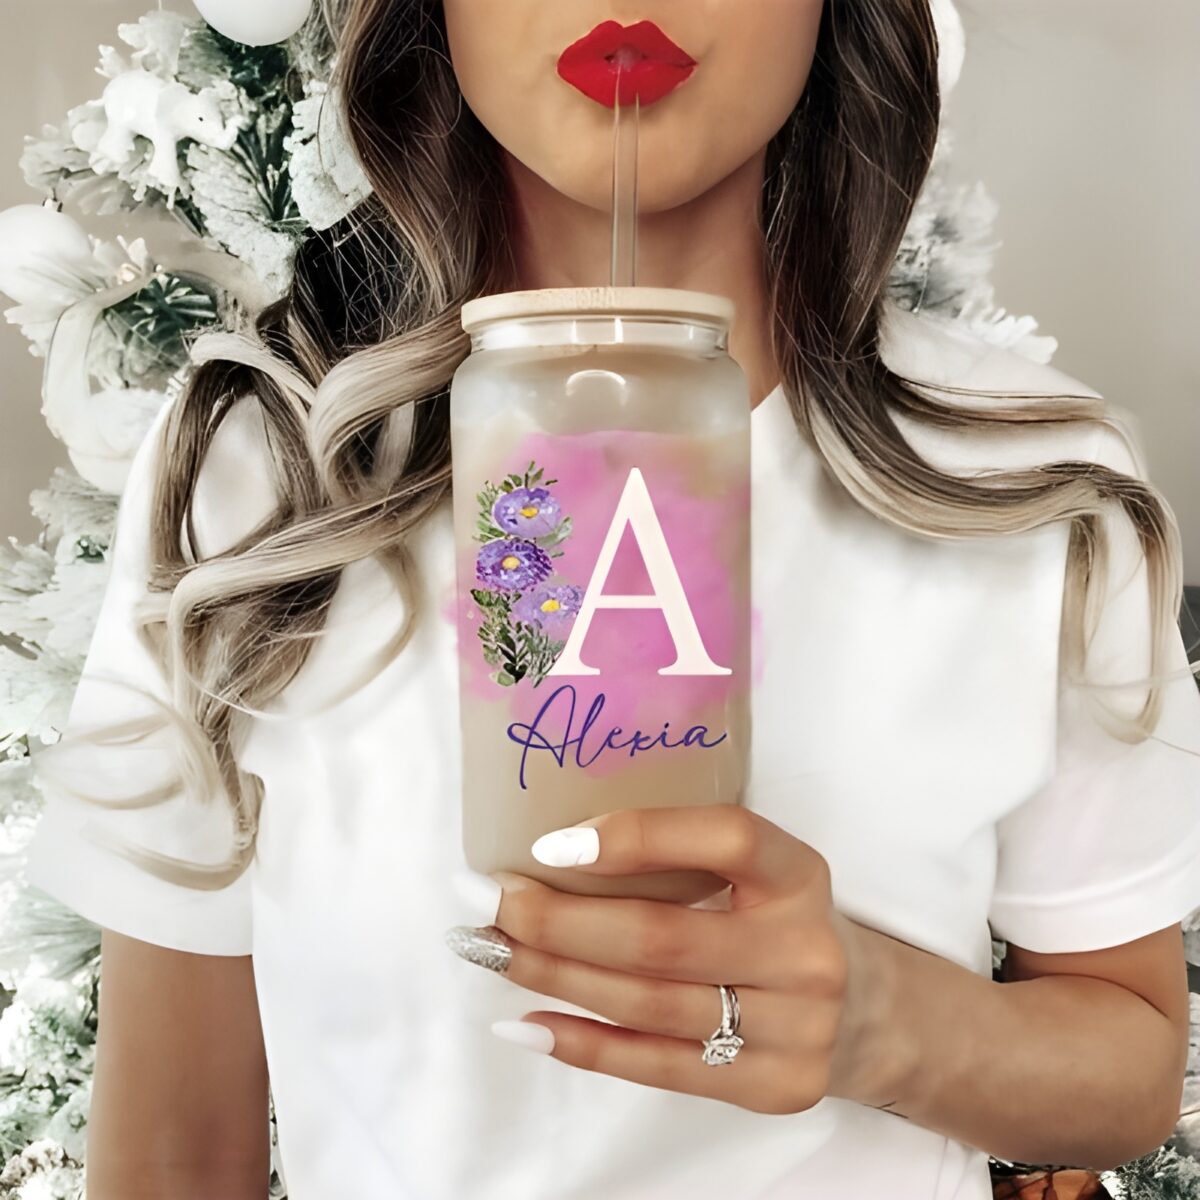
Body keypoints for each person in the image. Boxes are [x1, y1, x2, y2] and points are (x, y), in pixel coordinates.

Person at [20, 2, 1200, 1198]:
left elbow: (1132, 1064)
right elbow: (174, 1143)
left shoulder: (1029, 482)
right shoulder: (264, 470)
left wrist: (882, 1025)